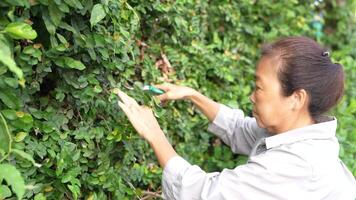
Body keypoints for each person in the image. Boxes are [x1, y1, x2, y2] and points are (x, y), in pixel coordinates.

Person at [117, 36, 356, 200]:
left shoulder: (297, 165)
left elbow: (204, 194)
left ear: (296, 98)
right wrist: (193, 96)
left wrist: (154, 134)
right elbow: (240, 129)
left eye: (259, 87)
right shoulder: (294, 131)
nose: (252, 96)